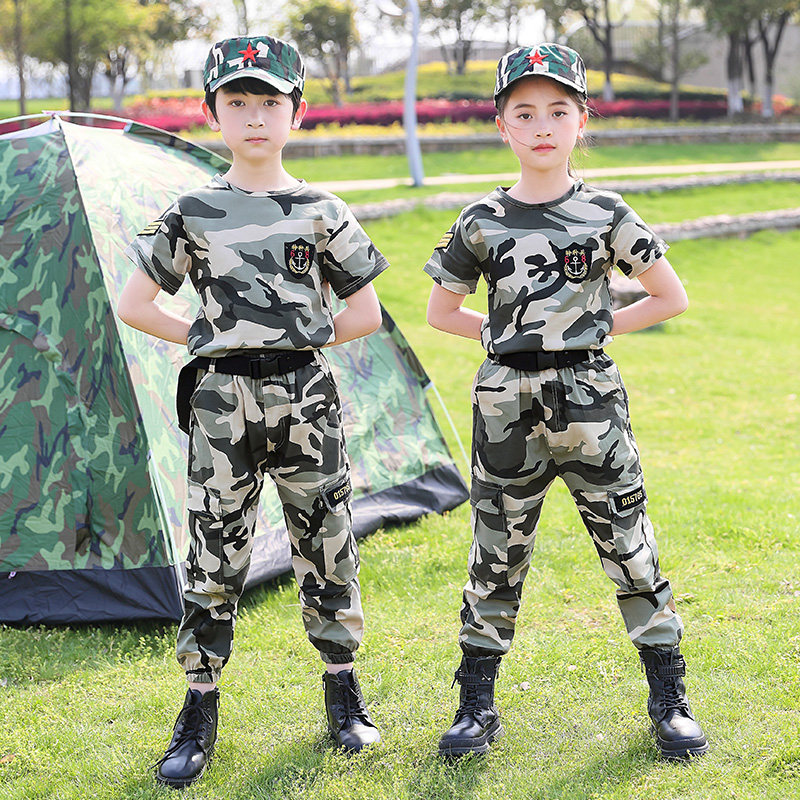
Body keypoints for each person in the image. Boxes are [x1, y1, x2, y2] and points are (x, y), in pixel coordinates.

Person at [424, 43, 708, 761]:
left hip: (590, 399)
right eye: (524, 113)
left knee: (628, 545)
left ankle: (669, 697)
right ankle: (475, 704)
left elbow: (669, 296)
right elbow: (440, 311)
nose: (542, 126)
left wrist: (597, 326)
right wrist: (501, 332)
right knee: (495, 553)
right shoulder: (481, 219)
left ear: (582, 121)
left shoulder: (606, 212)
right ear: (503, 126)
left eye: (558, 111)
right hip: (505, 401)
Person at [118, 35, 386, 788]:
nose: (255, 116)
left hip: (306, 396)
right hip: (221, 402)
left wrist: (298, 336)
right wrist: (205, 338)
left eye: (271, 101)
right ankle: (198, 705)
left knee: (326, 542)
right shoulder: (193, 211)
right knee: (215, 550)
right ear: (214, 113)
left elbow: (365, 312)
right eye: (237, 101)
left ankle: (343, 692)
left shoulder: (322, 211)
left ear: (297, 111)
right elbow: (136, 303)